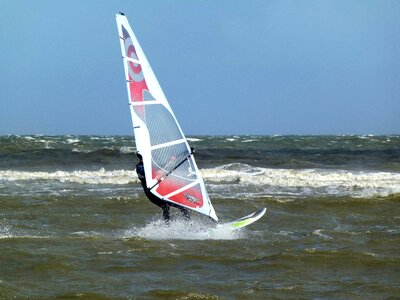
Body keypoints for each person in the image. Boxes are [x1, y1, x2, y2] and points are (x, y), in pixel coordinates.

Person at [135, 152, 189, 222]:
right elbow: (152, 174)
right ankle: (169, 225)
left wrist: (172, 160)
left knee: (175, 206)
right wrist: (160, 173)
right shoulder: (140, 168)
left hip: (158, 190)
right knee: (167, 206)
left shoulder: (150, 165)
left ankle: (175, 224)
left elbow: (162, 167)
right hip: (152, 193)